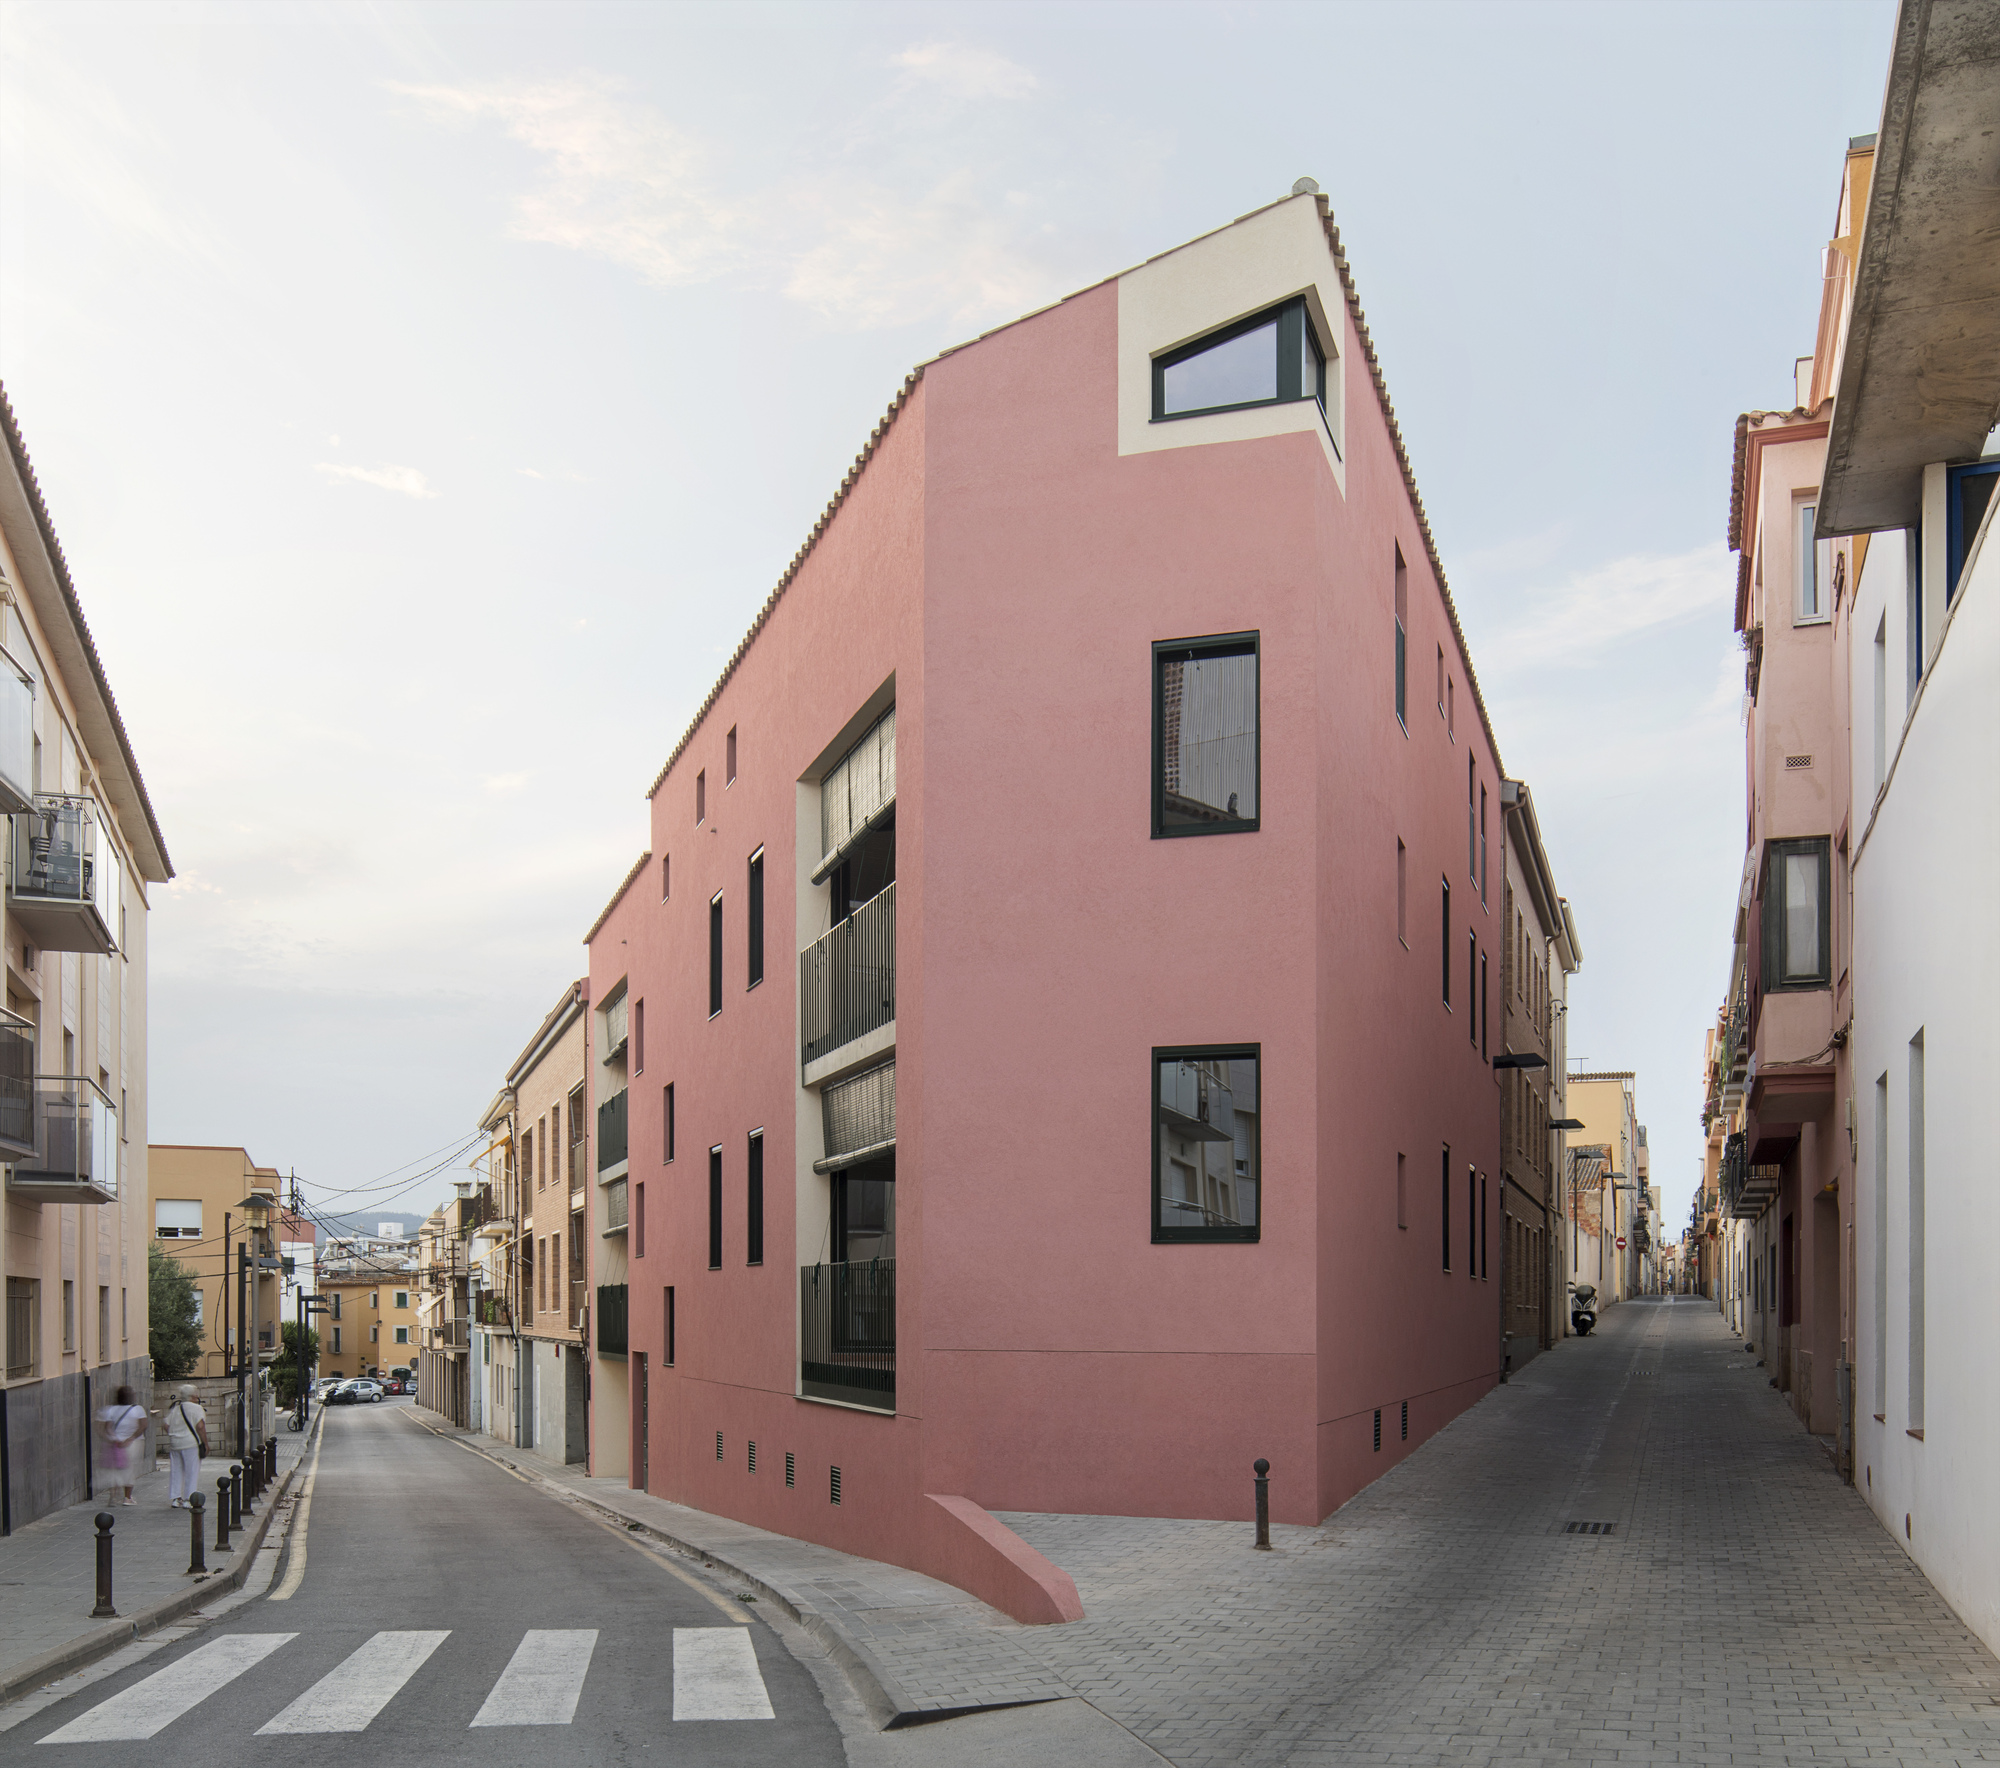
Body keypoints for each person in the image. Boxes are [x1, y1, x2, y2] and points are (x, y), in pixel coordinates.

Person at [97, 1384, 147, 1506]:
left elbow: (107, 1427)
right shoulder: (138, 1409)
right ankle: (127, 1497)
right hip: (132, 1444)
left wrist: (114, 1439)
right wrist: (130, 1438)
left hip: (116, 1445)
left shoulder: (111, 1409)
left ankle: (113, 1497)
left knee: (115, 1470)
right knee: (129, 1470)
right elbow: (143, 1425)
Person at [163, 1384, 206, 1508]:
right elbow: (200, 1427)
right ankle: (188, 1499)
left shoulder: (176, 1408)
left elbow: (166, 1425)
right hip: (191, 1444)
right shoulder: (197, 1409)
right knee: (191, 1471)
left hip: (175, 1443)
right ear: (193, 1396)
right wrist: (205, 1443)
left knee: (176, 1470)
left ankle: (176, 1498)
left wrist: (174, 1434)